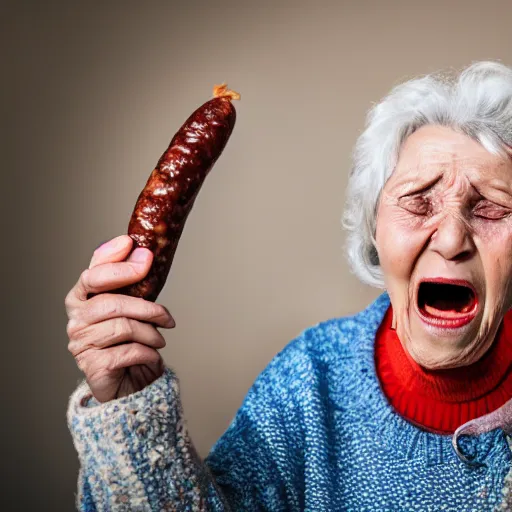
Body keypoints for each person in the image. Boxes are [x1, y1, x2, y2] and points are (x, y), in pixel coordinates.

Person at [65, 61, 512, 511]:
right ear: (375, 228)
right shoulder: (308, 382)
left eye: (492, 208)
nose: (453, 239)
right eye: (419, 202)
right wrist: (132, 412)